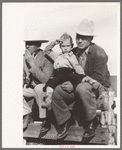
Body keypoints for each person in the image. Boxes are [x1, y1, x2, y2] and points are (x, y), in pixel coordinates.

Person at [50, 19, 110, 139]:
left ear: (91, 39)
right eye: (78, 37)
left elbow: (99, 77)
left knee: (82, 88)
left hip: (97, 87)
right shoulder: (74, 51)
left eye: (84, 37)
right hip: (79, 86)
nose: (80, 40)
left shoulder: (99, 53)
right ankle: (66, 120)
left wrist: (74, 83)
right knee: (57, 91)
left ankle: (91, 121)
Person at [42, 33, 102, 109]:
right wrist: (54, 43)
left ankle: (92, 82)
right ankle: (48, 100)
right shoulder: (57, 55)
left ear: (72, 46)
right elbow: (47, 51)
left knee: (78, 77)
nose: (65, 48)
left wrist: (81, 75)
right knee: (50, 83)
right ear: (60, 47)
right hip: (58, 75)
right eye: (63, 46)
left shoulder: (72, 56)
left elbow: (76, 66)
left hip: (68, 73)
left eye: (68, 46)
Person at [23, 38, 54, 132]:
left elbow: (46, 79)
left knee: (39, 89)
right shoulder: (24, 57)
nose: (27, 46)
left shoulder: (46, 57)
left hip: (45, 88)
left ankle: (45, 119)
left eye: (31, 44)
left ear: (38, 45)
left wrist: (32, 64)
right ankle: (26, 112)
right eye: (27, 43)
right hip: (32, 87)